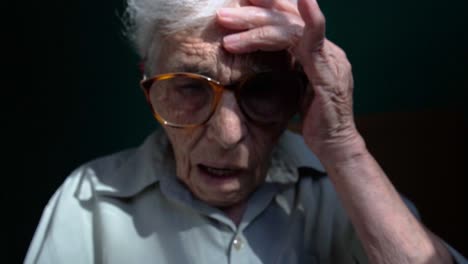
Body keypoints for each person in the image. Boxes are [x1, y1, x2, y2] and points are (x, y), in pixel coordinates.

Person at [25, 0, 467, 263]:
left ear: (301, 92)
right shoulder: (87, 203)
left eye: (263, 89)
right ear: (150, 92)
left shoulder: (340, 193)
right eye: (190, 88)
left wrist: (344, 150)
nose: (227, 134)